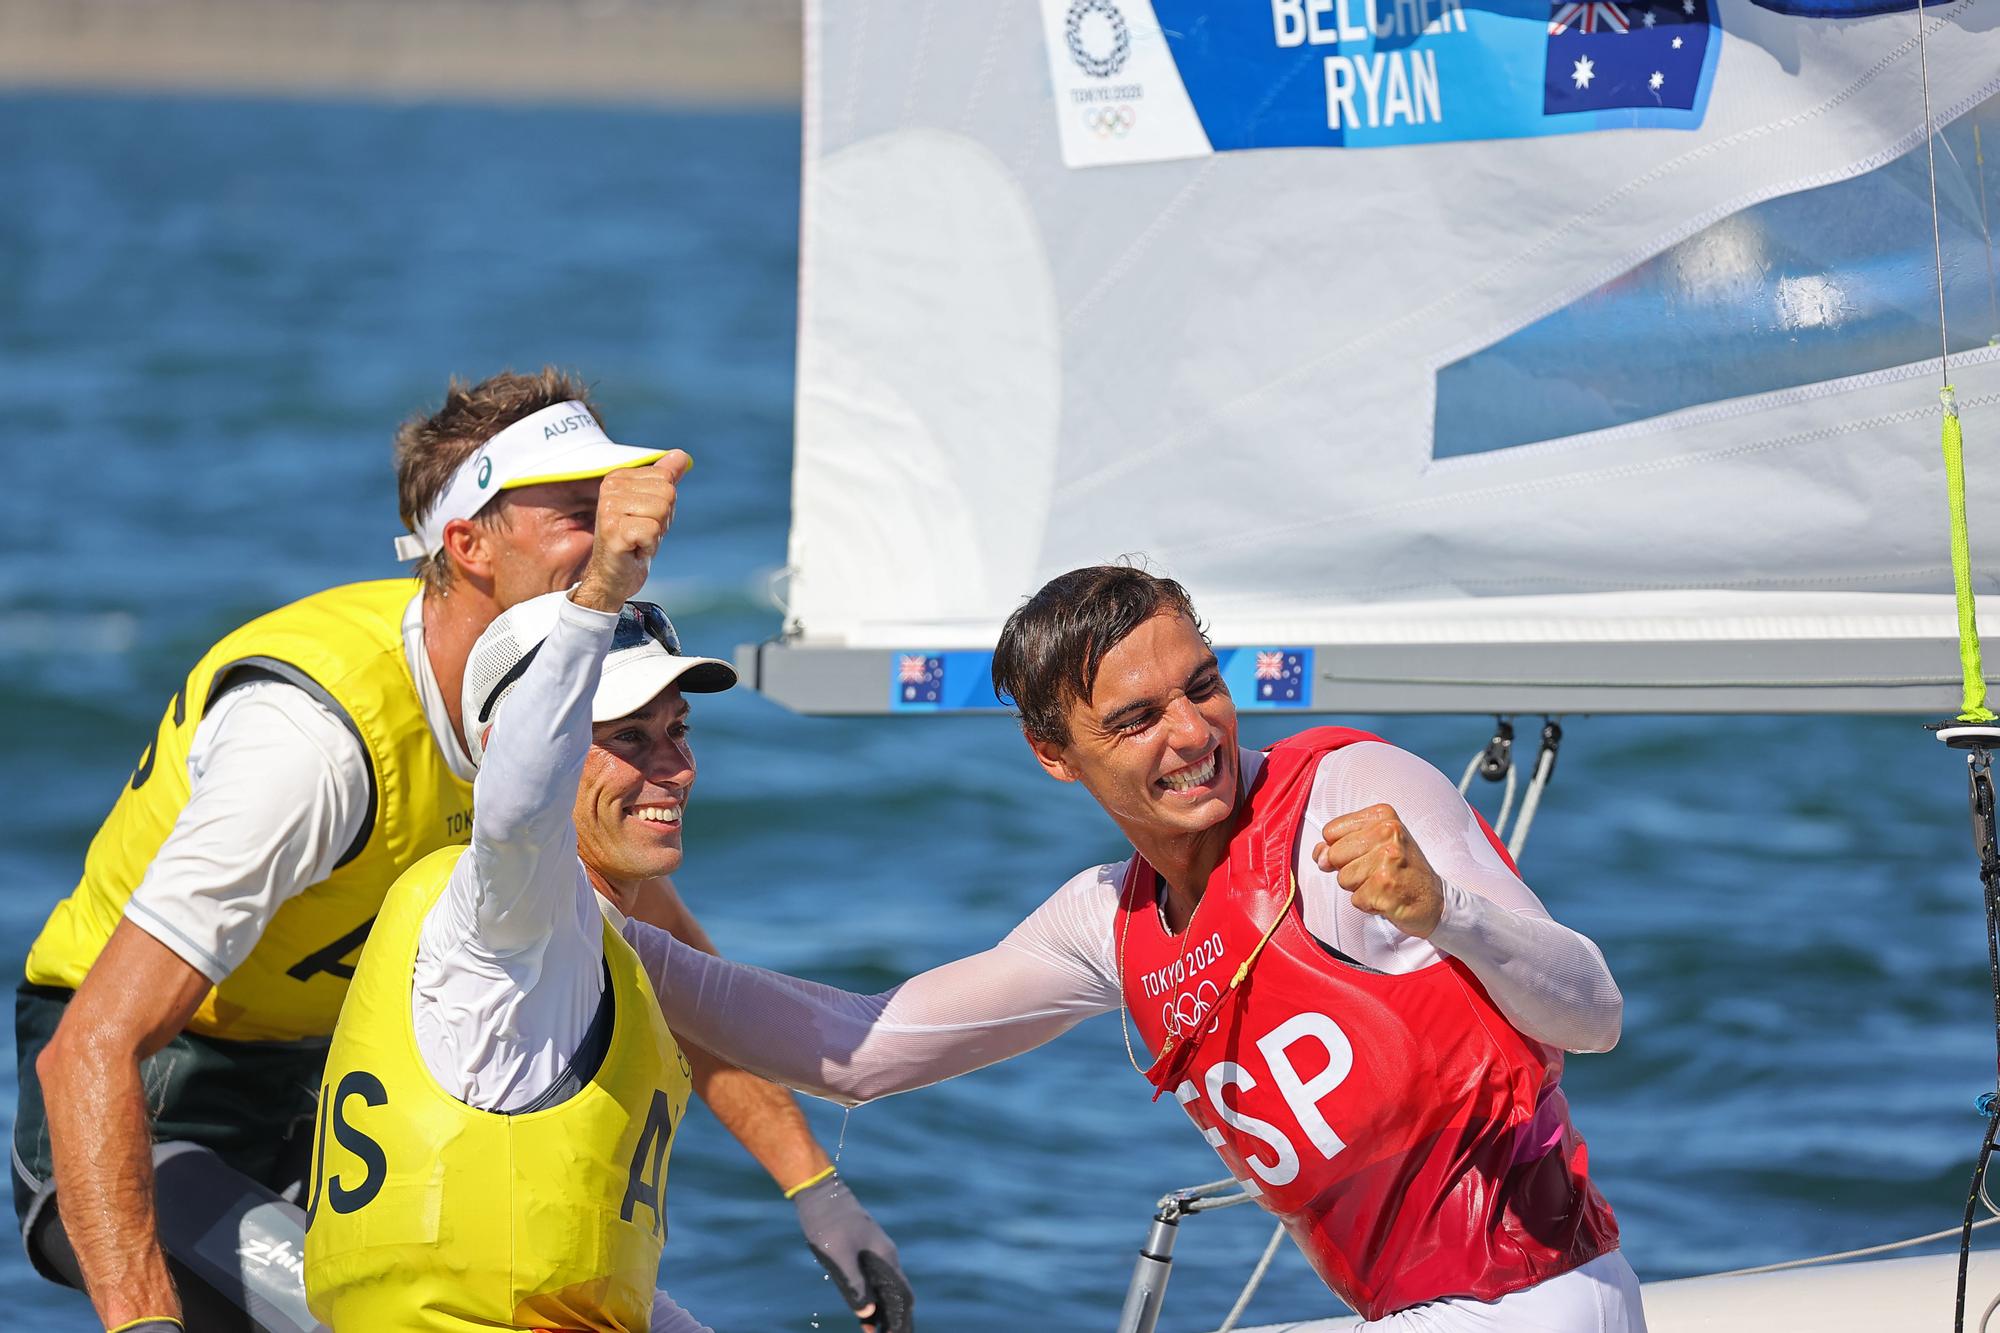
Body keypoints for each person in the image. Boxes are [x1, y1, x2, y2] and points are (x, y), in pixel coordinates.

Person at [15, 370, 907, 1333]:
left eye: (614, 509)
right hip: (154, 1104)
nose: (616, 538)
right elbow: (88, 1051)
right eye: (578, 512)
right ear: (468, 544)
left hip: (347, 1086)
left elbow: (675, 978)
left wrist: (817, 1188)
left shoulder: (569, 718)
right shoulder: (312, 741)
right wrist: (143, 1321)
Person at [603, 564, 1643, 1331]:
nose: (1191, 734)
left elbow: (1593, 1016)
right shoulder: (1108, 921)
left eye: (1202, 687)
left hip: (1543, 1299)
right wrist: (613, 936)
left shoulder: (1348, 794)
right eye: (1136, 718)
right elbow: (864, 1051)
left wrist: (1448, 915)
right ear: (1053, 755)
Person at [309, 450, 907, 1333]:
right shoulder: (503, 914)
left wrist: (821, 1193)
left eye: (676, 729)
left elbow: (583, 1277)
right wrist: (601, 590)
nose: (673, 767)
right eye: (627, 736)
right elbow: (517, 800)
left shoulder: (597, 939)